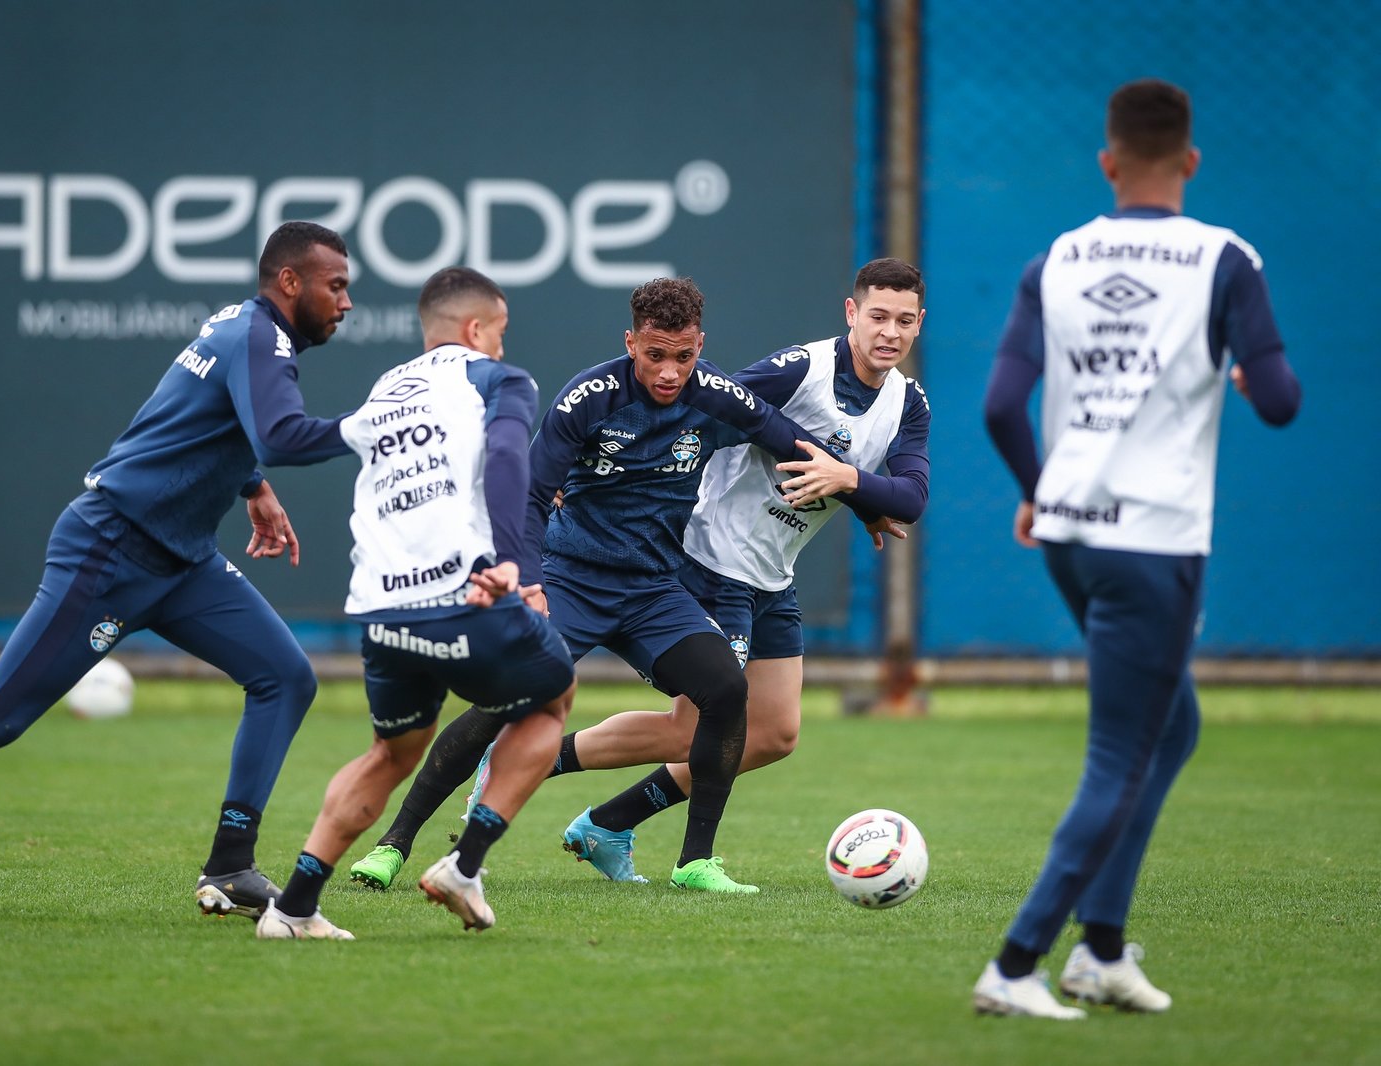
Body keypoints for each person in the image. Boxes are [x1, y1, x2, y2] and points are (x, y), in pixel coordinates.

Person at [0, 221, 357, 926]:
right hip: (111, 550)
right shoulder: (259, 337)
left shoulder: (247, 330)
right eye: (335, 285)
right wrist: (371, 426)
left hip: (183, 560)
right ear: (289, 282)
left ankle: (231, 865)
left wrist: (250, 485)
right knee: (1, 714)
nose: (345, 301)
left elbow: (194, 416)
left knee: (286, 677)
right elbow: (278, 435)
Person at [347, 277, 878, 896]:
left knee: (727, 690)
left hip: (654, 590)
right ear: (631, 343)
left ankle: (695, 862)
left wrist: (863, 501)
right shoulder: (589, 398)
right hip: (573, 580)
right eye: (655, 355)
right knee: (504, 699)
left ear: (700, 345)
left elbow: (791, 444)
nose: (670, 372)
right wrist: (533, 580)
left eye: (684, 356)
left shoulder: (716, 395)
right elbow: (532, 494)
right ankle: (393, 845)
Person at [971, 79, 1300, 1018]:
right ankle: (1018, 963)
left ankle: (1102, 951)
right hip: (1155, 542)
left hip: (1071, 535)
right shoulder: (1226, 261)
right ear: (1190, 161)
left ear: (1108, 162)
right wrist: (1245, 368)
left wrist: (1037, 490)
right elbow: (1280, 403)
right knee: (1121, 754)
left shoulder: (1059, 258)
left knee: (1173, 726)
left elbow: (1000, 406)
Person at [548, 257, 930, 883]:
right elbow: (695, 403)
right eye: (878, 316)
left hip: (771, 576)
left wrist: (851, 484)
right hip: (709, 560)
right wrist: (584, 468)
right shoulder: (800, 369)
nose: (889, 331)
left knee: (774, 734)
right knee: (692, 727)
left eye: (904, 321)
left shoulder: (907, 403)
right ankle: (532, 760)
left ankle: (607, 822)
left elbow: (911, 497)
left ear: (919, 326)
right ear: (851, 314)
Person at [254, 266, 577, 940]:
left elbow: (294, 440)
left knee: (392, 753)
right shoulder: (497, 380)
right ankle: (466, 863)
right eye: (502, 334)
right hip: (465, 596)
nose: (503, 348)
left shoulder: (386, 391)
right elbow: (512, 451)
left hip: (382, 613)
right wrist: (511, 559)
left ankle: (293, 908)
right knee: (552, 700)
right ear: (476, 328)